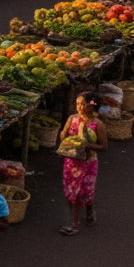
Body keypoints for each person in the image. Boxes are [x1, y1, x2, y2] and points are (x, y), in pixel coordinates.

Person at [58, 92, 108, 234]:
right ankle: (73, 224)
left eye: (82, 104)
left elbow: (104, 146)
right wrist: (65, 140)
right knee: (71, 191)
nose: (79, 107)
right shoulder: (72, 118)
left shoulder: (98, 125)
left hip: (88, 163)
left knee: (85, 193)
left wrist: (86, 145)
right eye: (77, 104)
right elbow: (64, 132)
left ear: (92, 106)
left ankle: (90, 211)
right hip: (71, 162)